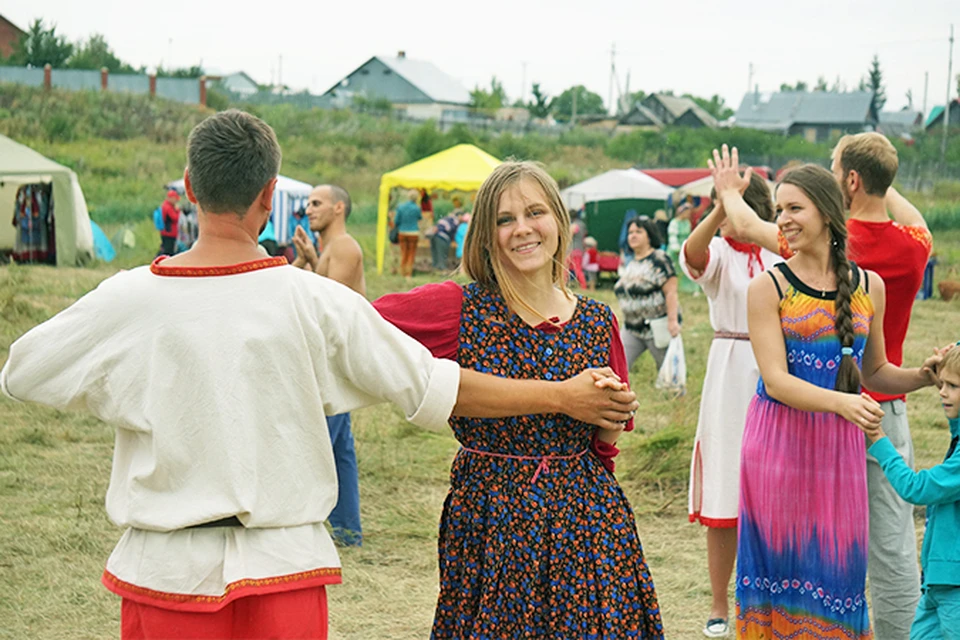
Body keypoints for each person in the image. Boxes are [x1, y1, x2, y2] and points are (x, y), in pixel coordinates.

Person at [0, 110, 640, 640]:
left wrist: (141, 392)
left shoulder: (131, 298)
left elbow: (24, 371)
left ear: (189, 189)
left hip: (165, 569)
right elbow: (429, 386)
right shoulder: (314, 301)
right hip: (286, 567)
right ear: (269, 194)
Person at [372, 161, 664, 638]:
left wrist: (613, 413)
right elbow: (358, 327)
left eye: (535, 213)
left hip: (587, 527)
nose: (522, 229)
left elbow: (605, 447)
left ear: (559, 222)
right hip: (492, 521)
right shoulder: (458, 309)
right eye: (505, 220)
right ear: (485, 235)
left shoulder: (597, 320)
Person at [718, 137, 933, 638]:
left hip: (837, 449)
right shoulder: (768, 287)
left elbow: (875, 372)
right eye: (778, 210)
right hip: (777, 446)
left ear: (829, 211)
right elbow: (776, 380)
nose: (783, 219)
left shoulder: (868, 285)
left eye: (795, 208)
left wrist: (924, 376)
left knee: (838, 574)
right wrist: (845, 404)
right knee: (781, 578)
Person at [680, 173, 782, 638]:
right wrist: (721, 206)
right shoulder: (720, 253)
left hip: (775, 370)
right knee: (724, 486)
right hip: (729, 370)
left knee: (773, 490)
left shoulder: (780, 253)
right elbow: (692, 255)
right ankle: (720, 604)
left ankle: (764, 596)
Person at [860, 345, 959, 638]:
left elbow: (917, 488)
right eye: (943, 384)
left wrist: (878, 438)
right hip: (937, 584)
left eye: (953, 386)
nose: (942, 392)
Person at [292, 184, 366, 546]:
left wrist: (309, 264)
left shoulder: (346, 247)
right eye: (307, 203)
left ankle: (298, 526)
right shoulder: (329, 250)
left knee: (317, 443)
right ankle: (348, 531)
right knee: (339, 450)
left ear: (339, 207)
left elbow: (327, 306)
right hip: (331, 361)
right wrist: (307, 258)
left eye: (316, 203)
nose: (309, 209)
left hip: (335, 363)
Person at [615, 216, 681, 374]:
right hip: (632, 327)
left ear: (649, 235)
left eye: (639, 231)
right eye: (630, 232)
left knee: (668, 371)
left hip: (656, 327)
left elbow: (671, 292)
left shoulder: (659, 259)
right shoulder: (630, 262)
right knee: (617, 366)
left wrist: (673, 321)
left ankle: (675, 397)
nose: (633, 235)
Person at [667, 203, 697, 294]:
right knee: (673, 269)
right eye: (687, 212)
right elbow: (672, 236)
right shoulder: (674, 223)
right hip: (674, 250)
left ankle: (691, 289)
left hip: (684, 248)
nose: (688, 215)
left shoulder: (687, 222)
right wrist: (677, 250)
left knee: (688, 268)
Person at [394, 189, 422, 277]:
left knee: (403, 252)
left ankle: (402, 271)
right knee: (411, 253)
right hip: (413, 233)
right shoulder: (417, 208)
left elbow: (396, 221)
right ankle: (408, 273)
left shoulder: (401, 207)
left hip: (402, 232)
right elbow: (419, 218)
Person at [428, 199, 461, 271]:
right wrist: (454, 240)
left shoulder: (446, 218)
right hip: (442, 237)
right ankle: (442, 269)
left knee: (435, 252)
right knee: (442, 253)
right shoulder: (455, 220)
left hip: (434, 235)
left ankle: (435, 267)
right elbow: (452, 231)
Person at [567, 208, 588, 288]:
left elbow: (569, 238)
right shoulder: (582, 225)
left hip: (573, 250)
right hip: (580, 249)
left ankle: (583, 286)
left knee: (566, 268)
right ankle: (583, 285)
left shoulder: (573, 225)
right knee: (578, 268)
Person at [158, 189, 180, 256]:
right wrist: (178, 211)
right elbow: (175, 218)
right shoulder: (168, 207)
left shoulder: (164, 205)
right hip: (169, 233)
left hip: (165, 232)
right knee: (168, 252)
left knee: (165, 249)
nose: (176, 201)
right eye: (175, 199)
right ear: (171, 198)